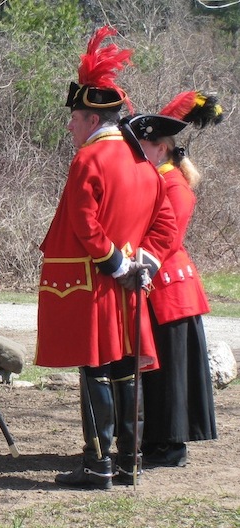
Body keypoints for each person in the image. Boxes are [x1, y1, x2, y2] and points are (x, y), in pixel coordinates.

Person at [33, 26, 178, 490]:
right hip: (130, 283)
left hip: (95, 283)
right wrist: (144, 264)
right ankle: (129, 463)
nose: (70, 126)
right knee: (124, 367)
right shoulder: (145, 164)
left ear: (92, 118)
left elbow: (84, 222)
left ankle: (97, 466)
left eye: (74, 118)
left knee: (95, 369)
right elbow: (167, 225)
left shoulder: (89, 160)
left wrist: (115, 264)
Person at [133, 92, 222, 467]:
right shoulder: (158, 180)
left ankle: (171, 446)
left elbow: (166, 236)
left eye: (142, 146)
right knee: (158, 372)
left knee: (171, 372)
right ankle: (156, 440)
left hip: (169, 286)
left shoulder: (174, 186)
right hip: (159, 285)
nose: (137, 152)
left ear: (162, 148)